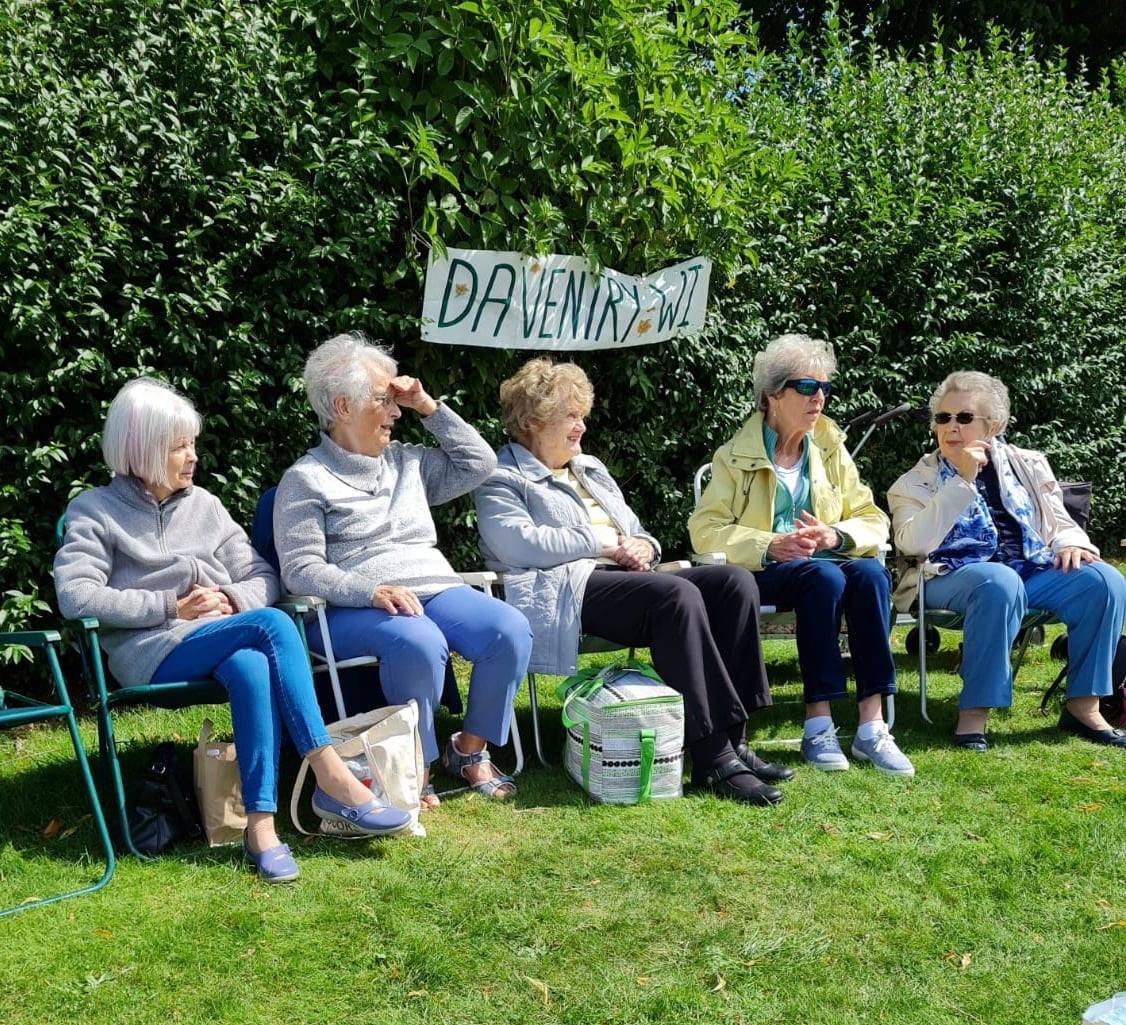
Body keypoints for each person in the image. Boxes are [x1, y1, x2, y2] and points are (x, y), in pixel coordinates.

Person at [54, 377, 410, 885]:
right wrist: (170, 607)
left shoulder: (206, 507)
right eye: (179, 447)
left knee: (250, 665)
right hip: (149, 650)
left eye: (192, 444)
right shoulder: (94, 511)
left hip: (220, 638)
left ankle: (260, 827)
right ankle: (330, 775)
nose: (193, 456)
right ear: (143, 450)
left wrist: (232, 598)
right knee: (271, 624)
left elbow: (263, 575)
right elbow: (77, 596)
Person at [474, 357, 788, 806]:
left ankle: (735, 742)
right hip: (565, 590)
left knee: (733, 582)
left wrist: (644, 546)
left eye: (582, 416)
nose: (581, 426)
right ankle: (712, 758)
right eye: (570, 415)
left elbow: (635, 529)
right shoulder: (502, 478)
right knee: (675, 594)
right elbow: (518, 544)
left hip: (627, 579)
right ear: (532, 421)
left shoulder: (590, 468)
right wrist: (602, 544)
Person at [273, 332, 533, 805]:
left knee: (509, 628)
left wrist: (427, 406)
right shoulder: (304, 480)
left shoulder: (408, 462)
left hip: (434, 587)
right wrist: (370, 590)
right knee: (419, 640)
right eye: (384, 399)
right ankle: (418, 765)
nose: (396, 412)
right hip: (349, 607)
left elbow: (480, 463)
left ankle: (469, 751)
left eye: (397, 401)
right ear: (343, 407)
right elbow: (300, 569)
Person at [689, 333, 914, 777]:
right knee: (824, 579)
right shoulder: (734, 457)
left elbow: (872, 518)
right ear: (773, 395)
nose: (820, 397)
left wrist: (835, 535)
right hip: (766, 571)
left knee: (870, 574)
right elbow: (704, 530)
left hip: (824, 564)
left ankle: (872, 726)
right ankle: (818, 724)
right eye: (807, 387)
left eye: (825, 387)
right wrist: (768, 543)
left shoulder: (830, 448)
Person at [888, 370, 1126, 750]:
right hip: (946, 577)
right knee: (997, 581)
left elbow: (1058, 519)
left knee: (1105, 581)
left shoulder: (1027, 464)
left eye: (964, 418)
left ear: (994, 425)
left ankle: (1084, 705)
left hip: (1029, 569)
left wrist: (1068, 541)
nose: (951, 428)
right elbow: (914, 543)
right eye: (942, 418)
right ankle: (974, 713)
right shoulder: (913, 482)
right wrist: (961, 483)